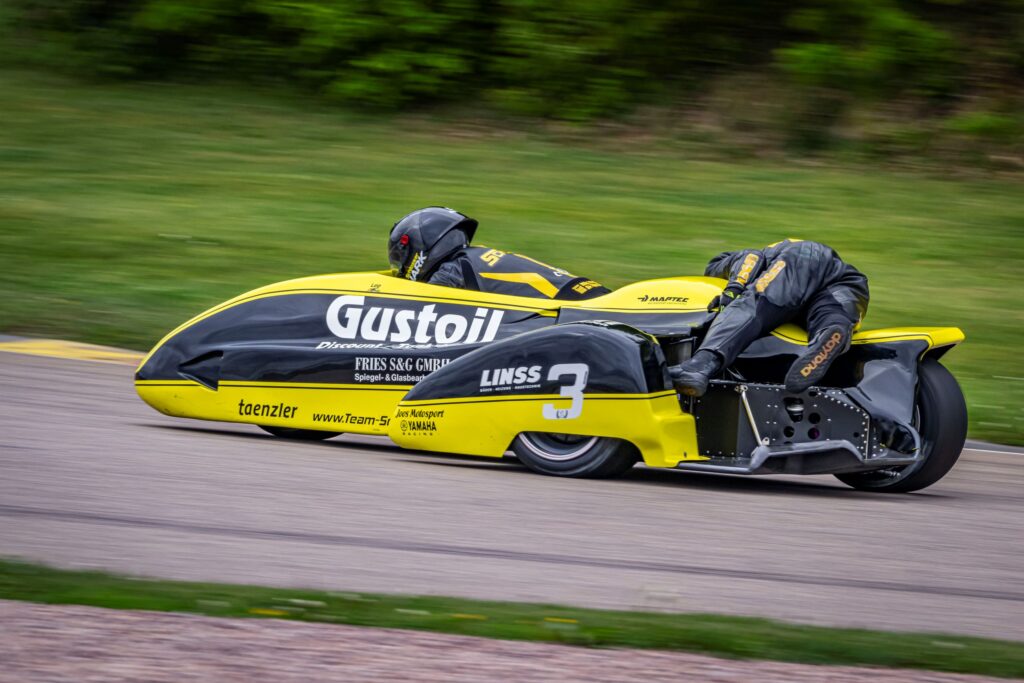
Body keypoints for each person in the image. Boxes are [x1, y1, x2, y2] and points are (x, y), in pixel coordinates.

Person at [669, 239, 869, 396]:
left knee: (754, 302)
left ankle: (699, 366)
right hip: (848, 282)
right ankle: (832, 332)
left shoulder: (726, 261)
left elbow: (751, 259)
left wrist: (732, 290)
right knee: (829, 316)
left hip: (803, 257)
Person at [387, 207, 610, 300]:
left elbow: (417, 306)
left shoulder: (449, 273)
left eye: (401, 262)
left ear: (419, 247)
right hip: (587, 291)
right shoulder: (475, 255)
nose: (401, 270)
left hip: (574, 308)